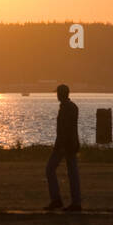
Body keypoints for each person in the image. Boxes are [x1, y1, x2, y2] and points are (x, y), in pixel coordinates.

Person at [44, 84, 81, 212]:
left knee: (50, 169)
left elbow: (65, 129)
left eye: (57, 93)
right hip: (70, 144)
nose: (56, 96)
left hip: (64, 145)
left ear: (60, 94)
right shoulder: (71, 107)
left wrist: (61, 146)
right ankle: (75, 202)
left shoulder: (66, 108)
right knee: (72, 173)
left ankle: (57, 200)